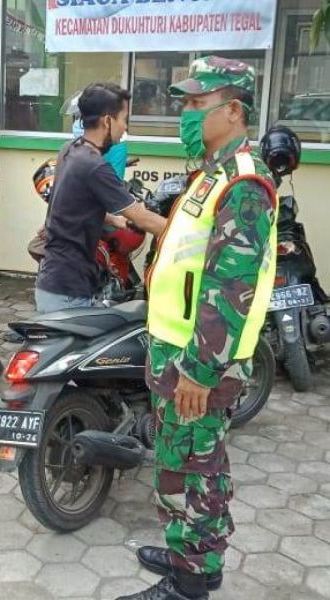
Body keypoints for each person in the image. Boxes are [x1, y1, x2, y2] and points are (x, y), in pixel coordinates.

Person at [120, 57, 278, 600]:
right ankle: (188, 547)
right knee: (181, 460)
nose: (184, 113)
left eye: (194, 104)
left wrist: (199, 371)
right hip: (176, 349)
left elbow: (230, 289)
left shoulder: (244, 183)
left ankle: (190, 582)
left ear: (232, 111)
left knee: (196, 467)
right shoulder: (211, 173)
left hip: (198, 360)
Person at [35, 83, 165, 314]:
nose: (124, 128)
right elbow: (141, 218)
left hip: (52, 279)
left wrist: (114, 221)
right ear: (107, 121)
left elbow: (75, 205)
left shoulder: (70, 149)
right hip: (69, 290)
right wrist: (188, 231)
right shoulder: (95, 166)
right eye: (124, 119)